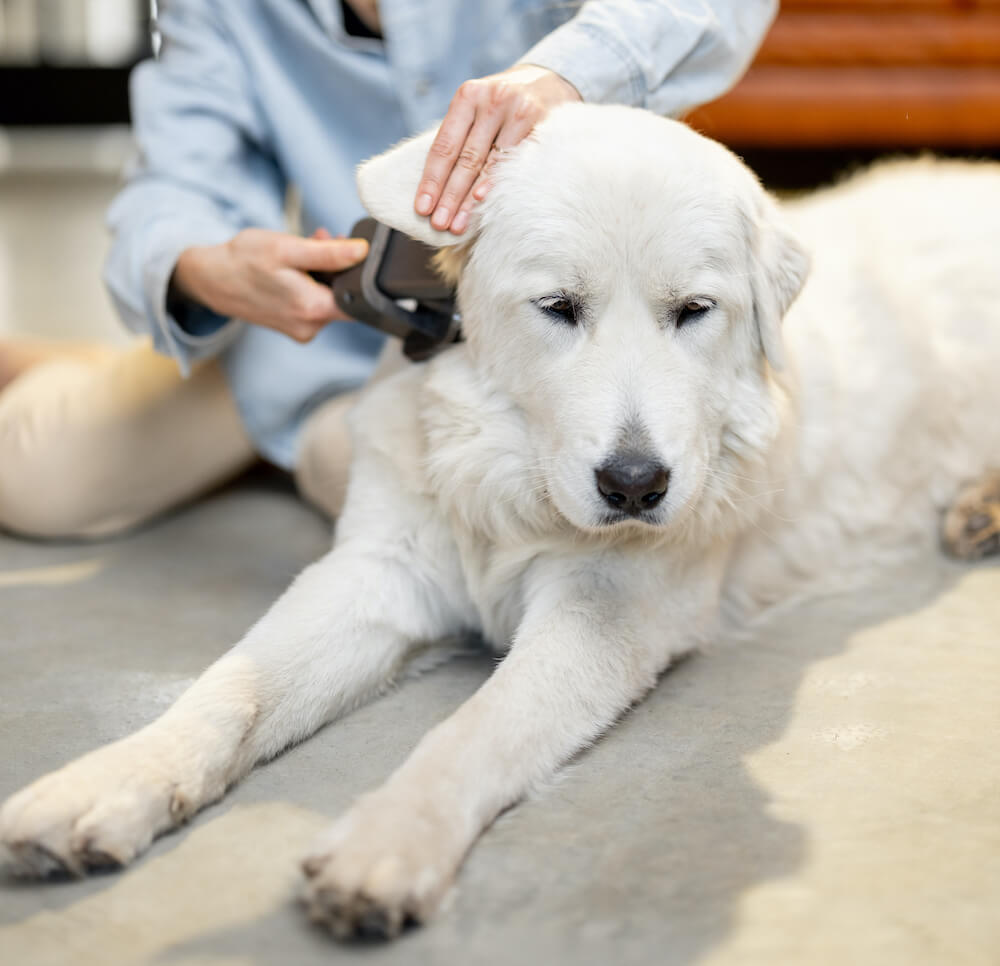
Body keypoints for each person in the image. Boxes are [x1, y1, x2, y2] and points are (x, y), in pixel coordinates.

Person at [0, 0, 777, 539]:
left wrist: (568, 74)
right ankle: (81, 370)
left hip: (567, 355)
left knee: (460, 518)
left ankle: (286, 440)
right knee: (37, 480)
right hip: (319, 334)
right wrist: (203, 267)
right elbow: (175, 182)